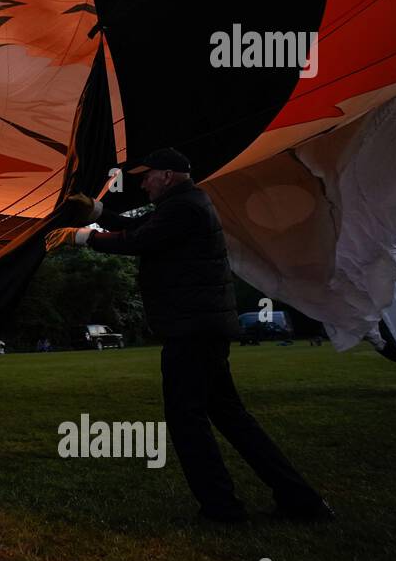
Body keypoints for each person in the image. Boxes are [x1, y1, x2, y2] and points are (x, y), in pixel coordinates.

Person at [45, 148, 333, 523]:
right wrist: (96, 214)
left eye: (147, 176)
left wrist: (80, 237)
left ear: (166, 175)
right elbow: (141, 227)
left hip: (191, 331)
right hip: (203, 329)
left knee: (187, 418)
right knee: (231, 417)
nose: (143, 183)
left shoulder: (184, 208)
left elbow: (136, 241)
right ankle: (301, 501)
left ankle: (222, 508)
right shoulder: (185, 203)